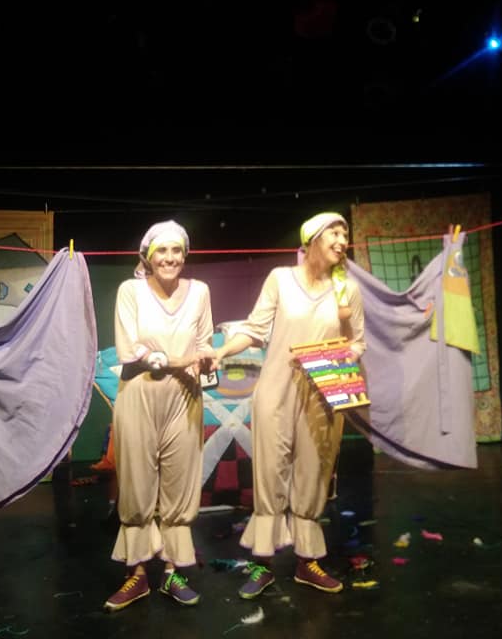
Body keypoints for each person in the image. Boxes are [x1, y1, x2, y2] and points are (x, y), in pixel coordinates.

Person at [212, 212, 366, 599]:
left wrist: (338, 356)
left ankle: (307, 563)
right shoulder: (280, 279)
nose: (341, 240)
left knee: (314, 473)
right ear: (311, 240)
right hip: (277, 388)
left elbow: (358, 342)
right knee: (271, 471)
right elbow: (254, 330)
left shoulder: (347, 290)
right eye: (334, 233)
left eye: (345, 234)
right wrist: (221, 352)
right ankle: (263, 564)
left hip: (324, 390)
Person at [103, 220, 215, 612]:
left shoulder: (200, 292)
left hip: (184, 398)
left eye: (176, 251)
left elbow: (204, 343)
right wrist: (179, 359)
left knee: (179, 486)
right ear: (147, 257)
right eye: (161, 251)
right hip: (139, 396)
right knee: (137, 484)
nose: (169, 258)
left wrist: (205, 361)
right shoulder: (130, 291)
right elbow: (129, 351)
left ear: (185, 254)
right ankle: (136, 575)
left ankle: (171, 571)